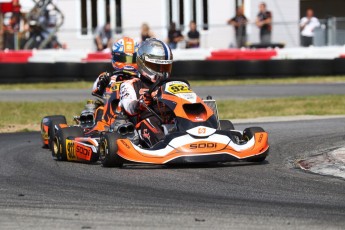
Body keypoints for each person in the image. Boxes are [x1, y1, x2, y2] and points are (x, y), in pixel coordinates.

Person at [119, 38, 173, 147]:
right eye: (157, 66)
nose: (161, 71)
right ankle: (163, 146)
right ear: (143, 63)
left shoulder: (169, 84)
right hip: (142, 126)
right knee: (149, 122)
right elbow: (129, 107)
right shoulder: (130, 85)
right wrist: (141, 103)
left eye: (165, 67)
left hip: (170, 121)